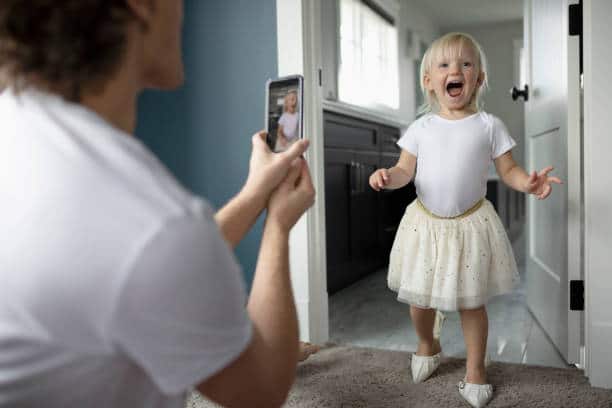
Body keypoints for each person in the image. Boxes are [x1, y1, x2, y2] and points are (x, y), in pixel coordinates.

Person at [0, 1, 315, 407]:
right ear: (142, 7)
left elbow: (142, 265)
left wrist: (255, 192)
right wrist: (278, 225)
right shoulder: (151, 220)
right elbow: (261, 388)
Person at [368, 32, 562, 408]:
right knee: (419, 301)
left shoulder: (489, 126)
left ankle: (476, 369)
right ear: (429, 81)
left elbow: (509, 171)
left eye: (465, 64)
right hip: (425, 227)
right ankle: (428, 342)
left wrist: (529, 183)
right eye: (444, 65)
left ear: (478, 79)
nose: (454, 70)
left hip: (471, 227)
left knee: (471, 303)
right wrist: (387, 177)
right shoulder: (421, 128)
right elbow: (404, 170)